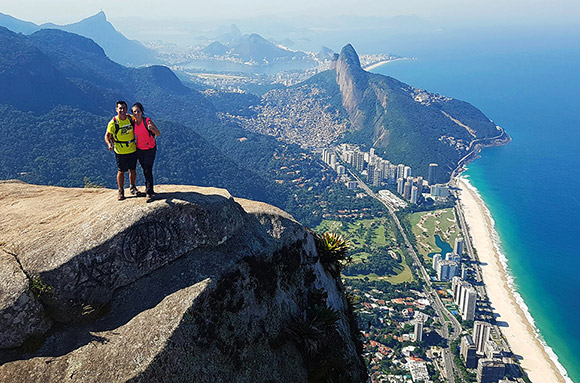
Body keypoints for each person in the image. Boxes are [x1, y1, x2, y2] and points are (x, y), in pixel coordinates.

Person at [104, 100, 144, 200]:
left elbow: (140, 121)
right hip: (120, 150)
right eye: (120, 108)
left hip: (132, 148)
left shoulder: (131, 118)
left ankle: (132, 187)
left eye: (124, 108)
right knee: (121, 171)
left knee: (133, 170)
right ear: (116, 109)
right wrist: (109, 144)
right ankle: (121, 190)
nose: (122, 110)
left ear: (126, 109)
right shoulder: (113, 123)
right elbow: (107, 136)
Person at [131, 102, 160, 203]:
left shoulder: (147, 121)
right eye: (134, 112)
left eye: (138, 111)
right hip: (139, 149)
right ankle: (149, 188)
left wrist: (152, 129)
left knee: (148, 169)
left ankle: (149, 191)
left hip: (150, 149)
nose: (136, 113)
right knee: (144, 169)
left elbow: (158, 133)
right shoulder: (133, 123)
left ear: (142, 112)